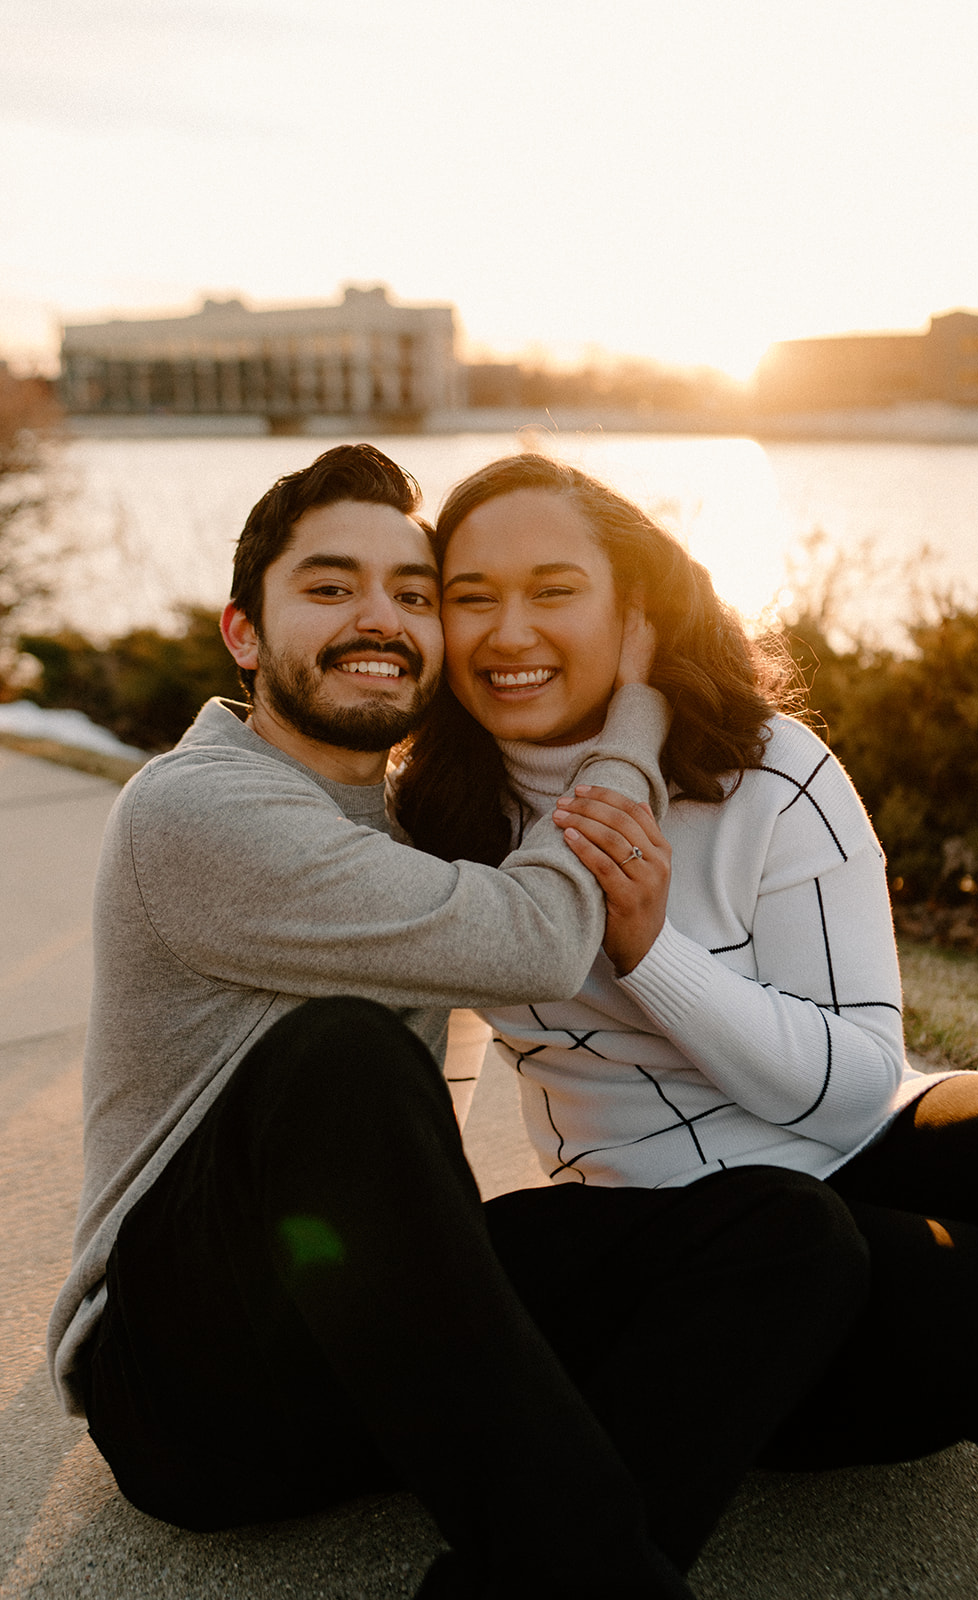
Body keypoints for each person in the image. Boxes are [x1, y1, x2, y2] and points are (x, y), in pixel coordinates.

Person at [47, 444, 871, 1600]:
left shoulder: (397, 822)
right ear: (243, 632)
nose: (378, 618)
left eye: (416, 594)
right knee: (337, 1057)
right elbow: (542, 935)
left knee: (788, 1230)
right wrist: (632, 715)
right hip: (185, 1385)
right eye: (330, 588)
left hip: (349, 1359)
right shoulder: (198, 807)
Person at [396, 450, 978, 1567]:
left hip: (860, 1131)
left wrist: (652, 949)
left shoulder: (768, 769)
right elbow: (397, 1081)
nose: (508, 633)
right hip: (701, 1249)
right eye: (471, 599)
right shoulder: (426, 820)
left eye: (552, 591)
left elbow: (859, 1079)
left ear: (634, 608)